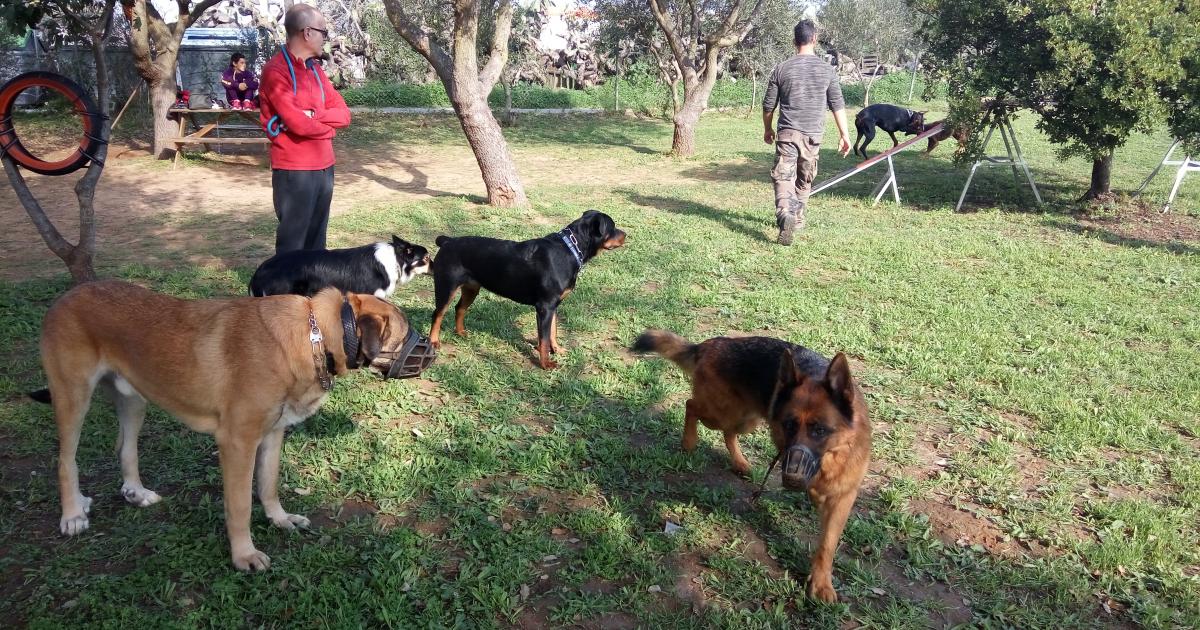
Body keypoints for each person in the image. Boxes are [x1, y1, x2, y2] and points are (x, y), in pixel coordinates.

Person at [259, 4, 351, 254]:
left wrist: (316, 115)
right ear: (307, 32)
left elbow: (344, 115)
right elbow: (298, 123)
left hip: (324, 167)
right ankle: (284, 294)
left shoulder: (316, 70)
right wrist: (323, 125)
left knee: (316, 243)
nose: (326, 39)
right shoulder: (275, 71)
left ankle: (312, 293)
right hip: (295, 171)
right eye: (324, 32)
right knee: (293, 245)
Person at [762, 20, 852, 245]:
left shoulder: (781, 69)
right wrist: (845, 134)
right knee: (804, 179)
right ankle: (797, 217)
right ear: (814, 39)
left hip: (787, 133)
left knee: (783, 176)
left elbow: (768, 106)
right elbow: (837, 104)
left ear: (794, 41)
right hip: (813, 136)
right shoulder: (827, 70)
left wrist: (767, 128)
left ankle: (785, 213)